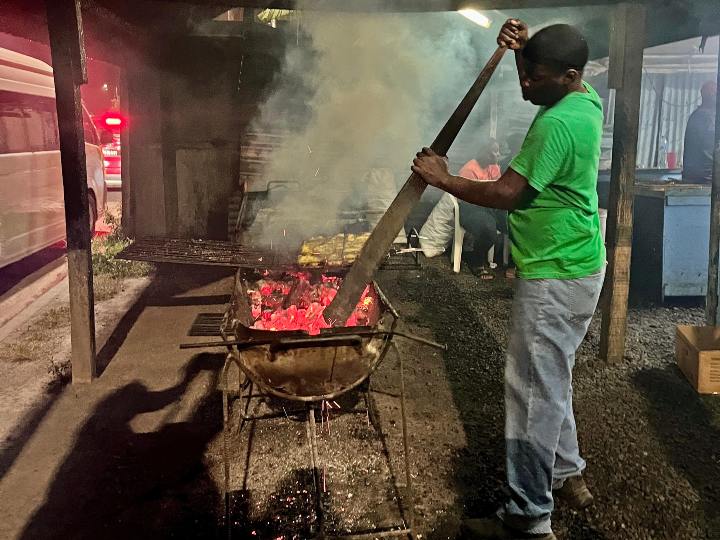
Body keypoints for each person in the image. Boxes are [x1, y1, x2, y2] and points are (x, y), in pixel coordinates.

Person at [412, 19, 605, 540]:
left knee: (529, 391)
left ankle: (528, 517)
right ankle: (567, 473)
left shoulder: (556, 124)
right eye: (525, 72)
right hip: (581, 263)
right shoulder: (586, 98)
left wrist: (442, 179)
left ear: (566, 76)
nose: (524, 85)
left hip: (554, 273)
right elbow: (540, 74)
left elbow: (505, 194)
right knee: (552, 376)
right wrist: (523, 52)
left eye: (533, 77)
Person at [682, 80, 717, 183]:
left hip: (692, 176)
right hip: (705, 179)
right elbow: (712, 150)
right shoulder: (707, 118)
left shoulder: (696, 115)